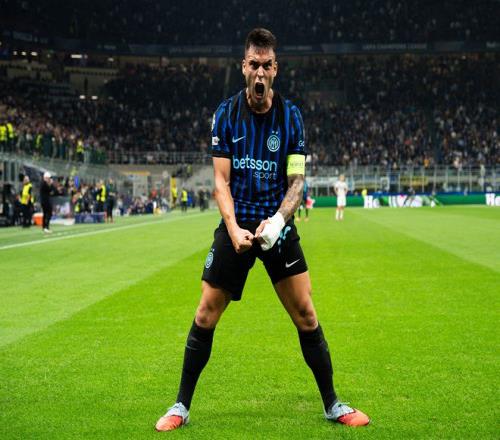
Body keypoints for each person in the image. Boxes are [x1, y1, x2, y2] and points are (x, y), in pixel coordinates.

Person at [155, 28, 369, 432]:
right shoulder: (225, 114)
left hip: (276, 226)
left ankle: (332, 404)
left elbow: (297, 182)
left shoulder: (291, 117)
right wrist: (234, 229)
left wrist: (279, 222)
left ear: (275, 69)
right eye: (253, 64)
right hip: (237, 224)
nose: (259, 72)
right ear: (243, 67)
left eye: (266, 65)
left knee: (306, 313)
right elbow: (220, 182)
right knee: (206, 311)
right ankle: (180, 405)